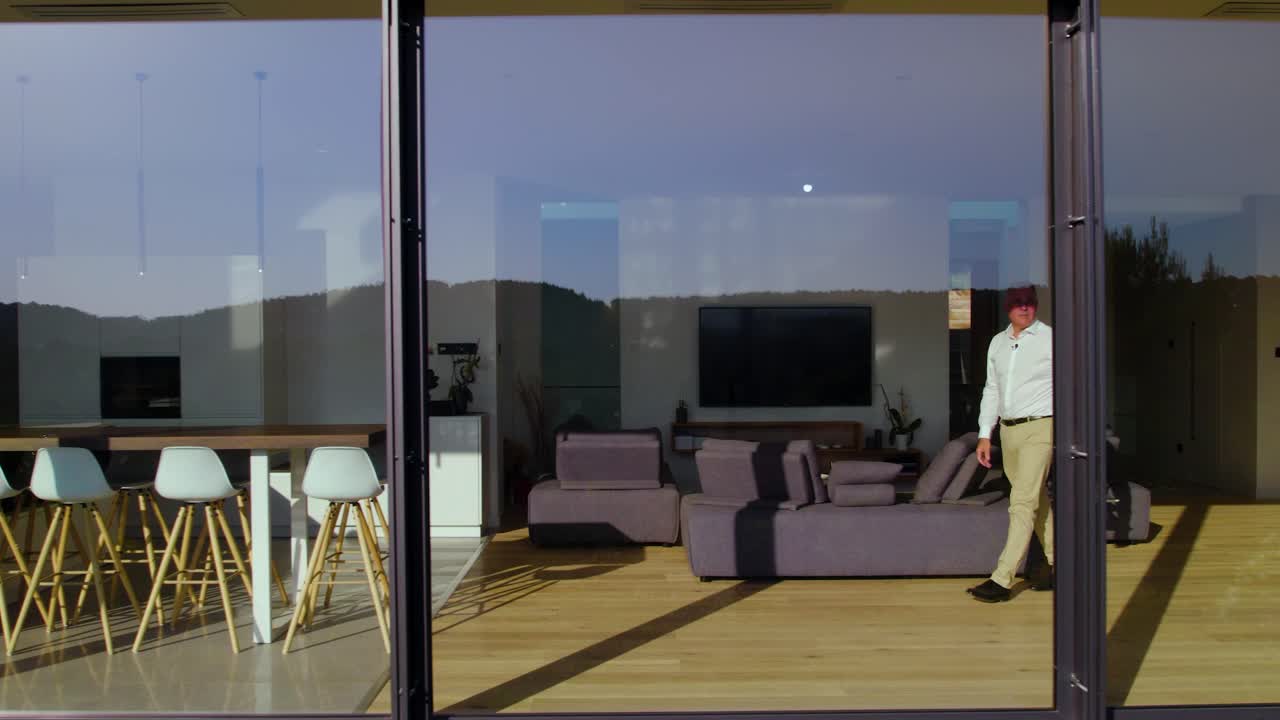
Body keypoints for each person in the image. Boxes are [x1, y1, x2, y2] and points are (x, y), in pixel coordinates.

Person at [967, 285, 1054, 603]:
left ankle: (1002, 579)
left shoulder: (1050, 339)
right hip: (1008, 432)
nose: (1025, 308)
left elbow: (1070, 382)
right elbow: (992, 389)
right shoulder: (998, 343)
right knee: (1037, 500)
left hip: (1041, 428)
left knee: (1021, 502)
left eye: (1030, 303)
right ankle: (1062, 566)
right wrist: (984, 434)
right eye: (1018, 304)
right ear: (1008, 308)